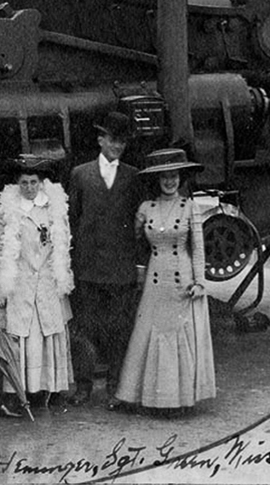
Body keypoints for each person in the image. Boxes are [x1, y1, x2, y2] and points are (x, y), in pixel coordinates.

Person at [114, 148, 216, 411]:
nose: (169, 181)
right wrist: (138, 269)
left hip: (182, 280)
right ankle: (148, 398)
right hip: (155, 279)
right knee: (149, 332)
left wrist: (199, 281)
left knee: (178, 334)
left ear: (181, 179)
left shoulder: (190, 207)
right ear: (156, 181)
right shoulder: (146, 208)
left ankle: (179, 400)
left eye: (174, 176)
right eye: (164, 177)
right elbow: (136, 243)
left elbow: (198, 248)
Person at [67, 111, 142, 408]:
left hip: (121, 270)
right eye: (112, 139)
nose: (117, 146)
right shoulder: (80, 174)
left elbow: (138, 225)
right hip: (88, 269)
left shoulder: (133, 176)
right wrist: (71, 266)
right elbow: (72, 221)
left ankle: (114, 387)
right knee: (85, 330)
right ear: (100, 140)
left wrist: (137, 266)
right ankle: (84, 387)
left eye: (122, 141)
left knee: (118, 331)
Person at [0, 155, 74, 413]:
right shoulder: (5, 210)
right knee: (23, 335)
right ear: (17, 183)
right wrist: (1, 284)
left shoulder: (54, 207)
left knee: (50, 332)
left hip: (47, 281)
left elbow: (64, 244)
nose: (29, 187)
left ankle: (51, 389)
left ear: (41, 182)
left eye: (34, 182)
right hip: (21, 281)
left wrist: (62, 275)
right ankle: (20, 391)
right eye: (24, 182)